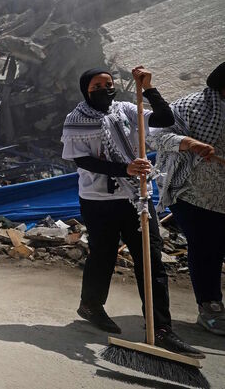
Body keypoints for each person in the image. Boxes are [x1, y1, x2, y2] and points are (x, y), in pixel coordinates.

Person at [61, 65, 202, 358]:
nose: (104, 90)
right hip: (97, 200)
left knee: (150, 259)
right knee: (103, 254)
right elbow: (83, 161)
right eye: (96, 86)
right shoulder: (75, 121)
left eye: (108, 84)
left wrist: (149, 88)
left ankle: (161, 329)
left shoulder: (127, 108)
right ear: (85, 90)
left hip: (136, 197)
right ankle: (91, 305)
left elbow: (165, 118)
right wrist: (122, 168)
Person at [150, 61, 225, 335]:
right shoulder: (190, 106)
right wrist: (191, 143)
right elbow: (158, 137)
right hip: (193, 193)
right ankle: (210, 307)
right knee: (207, 248)